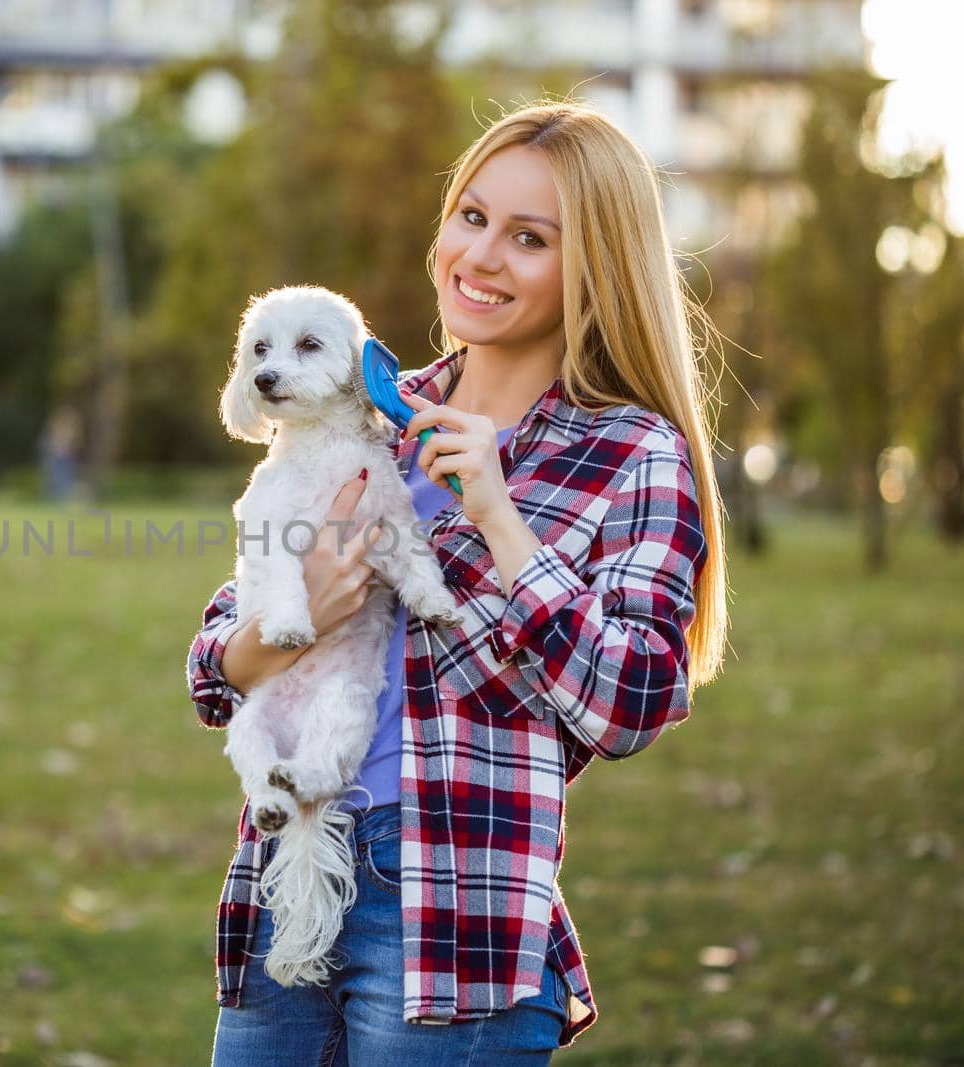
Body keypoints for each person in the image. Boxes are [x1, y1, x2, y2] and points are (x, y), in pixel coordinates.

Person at [186, 99, 730, 1065]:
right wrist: (295, 613)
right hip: (283, 879)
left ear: (592, 269)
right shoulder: (373, 408)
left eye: (529, 238)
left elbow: (633, 702)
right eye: (471, 216)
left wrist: (498, 517)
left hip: (454, 912)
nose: (479, 257)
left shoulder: (631, 453)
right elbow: (215, 664)